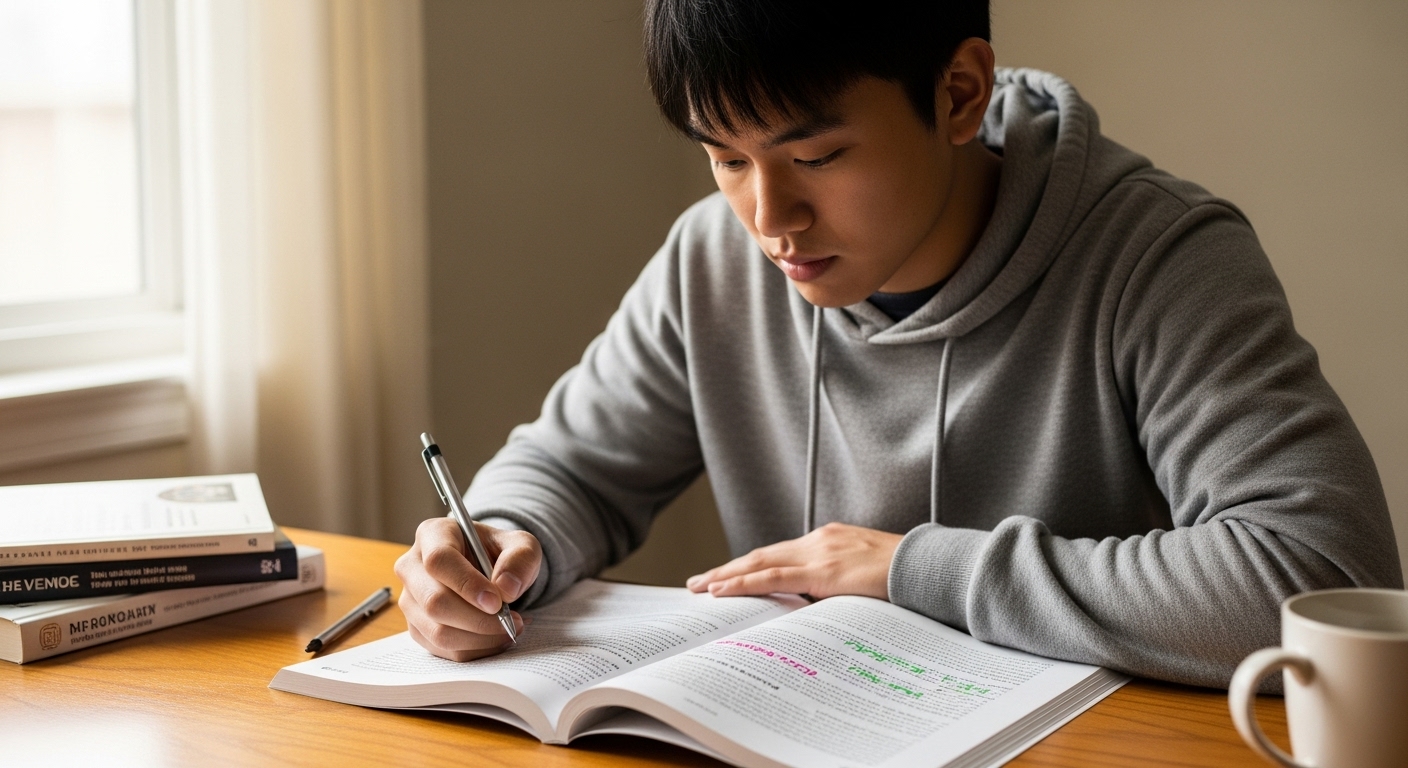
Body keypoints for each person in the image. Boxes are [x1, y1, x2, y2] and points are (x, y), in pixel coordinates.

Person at [394, 0, 1401, 687]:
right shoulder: (716, 259)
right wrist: (492, 542)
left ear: (959, 94)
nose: (768, 215)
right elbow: (571, 467)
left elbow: (1317, 578)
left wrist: (910, 568)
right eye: (724, 157)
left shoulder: (1156, 259)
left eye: (817, 155)